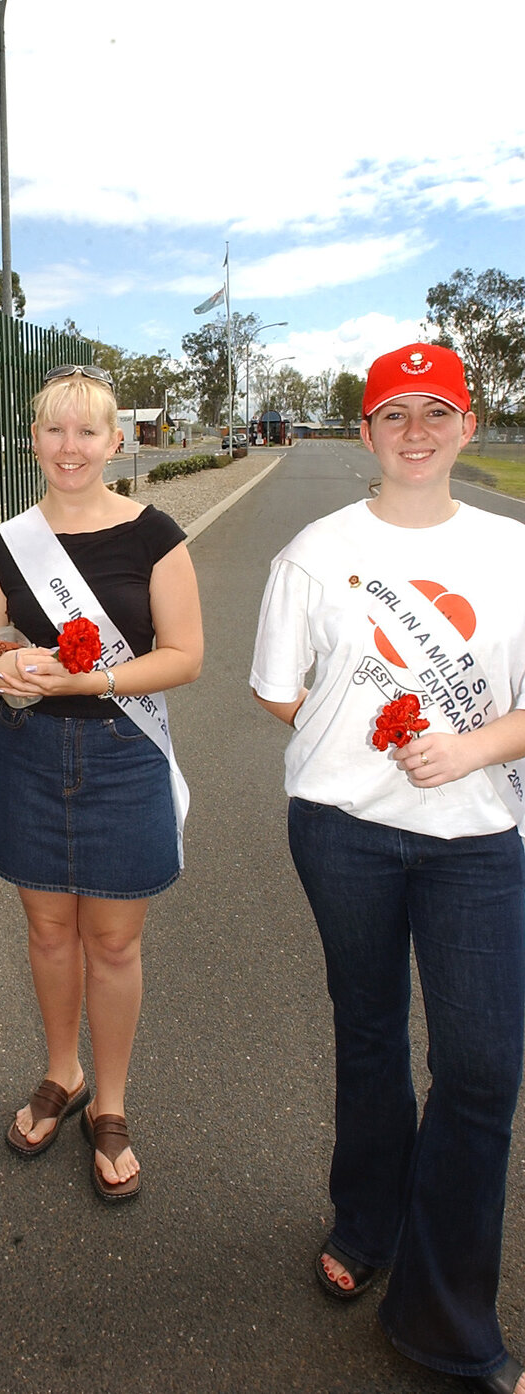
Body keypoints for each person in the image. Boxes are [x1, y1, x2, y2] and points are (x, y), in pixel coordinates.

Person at [250, 343, 525, 1392]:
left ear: (468, 424)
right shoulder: (314, 552)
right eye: (393, 414)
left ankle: (446, 1313)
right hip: (343, 832)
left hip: (478, 838)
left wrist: (467, 745)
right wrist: (358, 732)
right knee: (367, 1031)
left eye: (435, 411)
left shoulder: (509, 549)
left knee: (481, 1068)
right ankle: (365, 1218)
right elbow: (279, 689)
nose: (415, 431)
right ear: (363, 433)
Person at [0, 363, 203, 1201]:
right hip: (30, 753)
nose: (70, 447)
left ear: (115, 440)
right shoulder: (5, 541)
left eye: (87, 430)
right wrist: (5, 669)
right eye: (54, 429)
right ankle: (61, 1075)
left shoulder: (154, 534)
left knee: (115, 942)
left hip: (124, 756)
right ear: (34, 439)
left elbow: (184, 655)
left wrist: (89, 682)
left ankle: (114, 1103)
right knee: (51, 933)